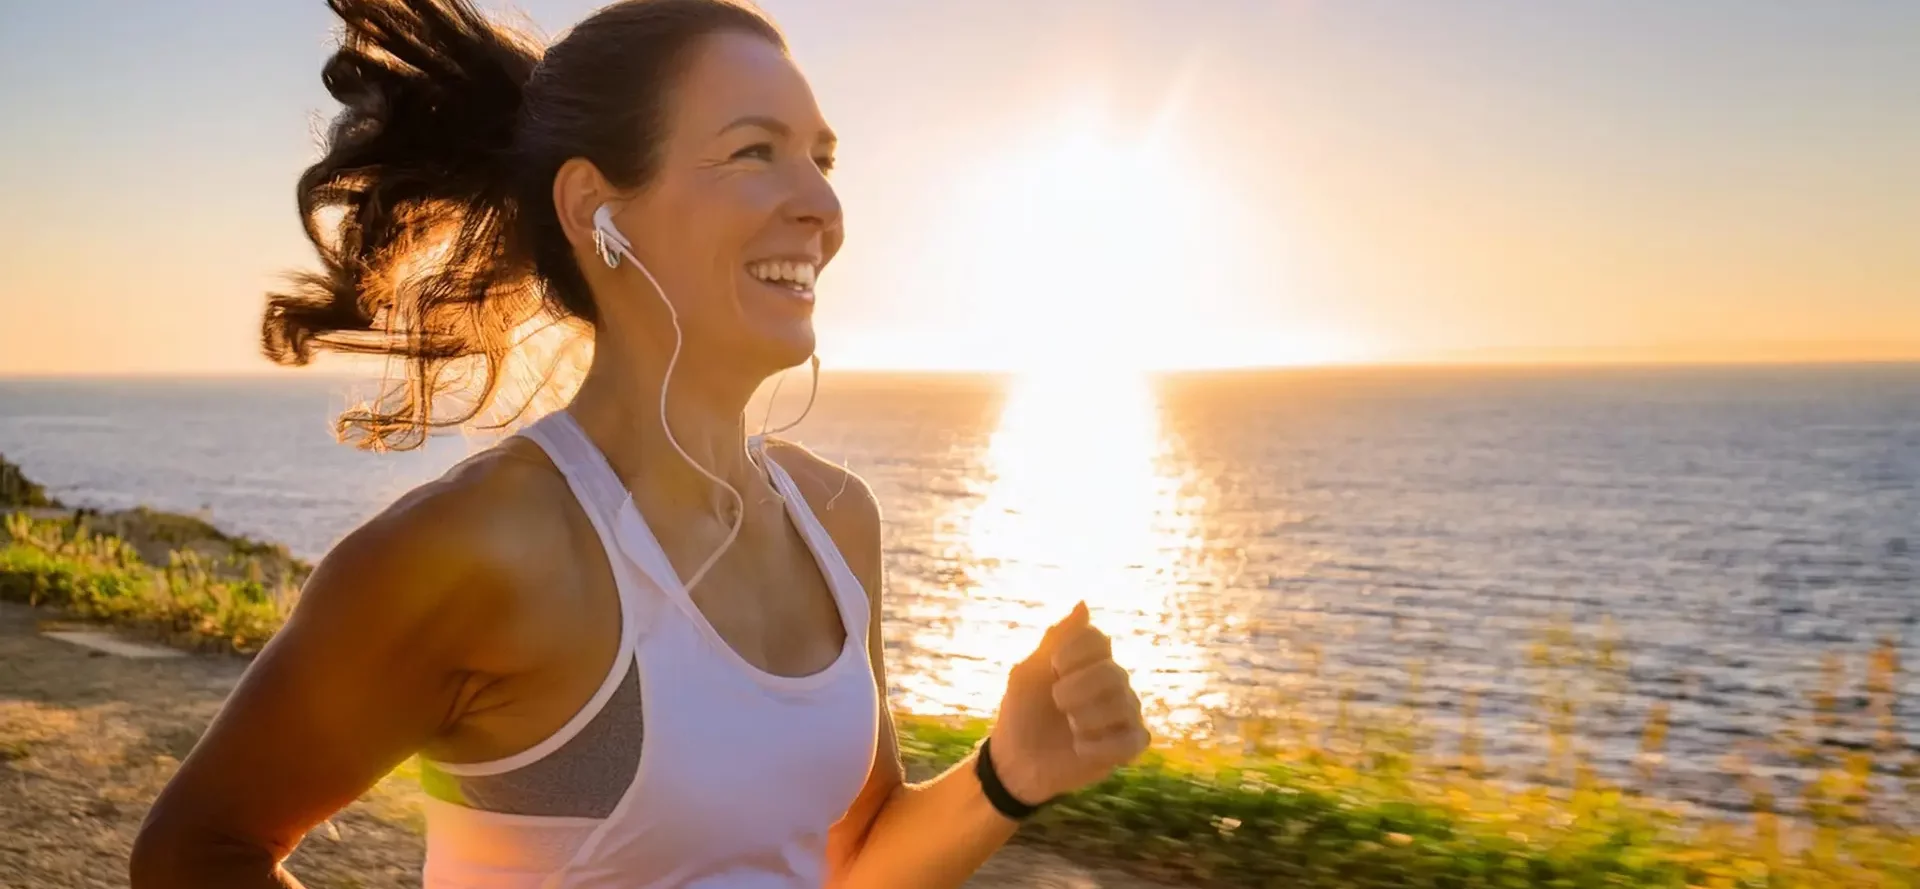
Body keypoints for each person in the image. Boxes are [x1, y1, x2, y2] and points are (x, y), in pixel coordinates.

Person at [128, 1, 1151, 887]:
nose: (824, 207)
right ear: (595, 209)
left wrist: (1004, 775)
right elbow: (196, 853)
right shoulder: (484, 548)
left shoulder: (838, 521)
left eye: (822, 160)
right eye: (756, 150)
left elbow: (850, 865)